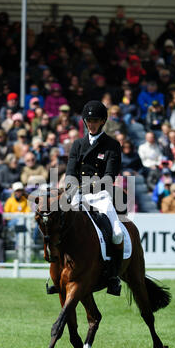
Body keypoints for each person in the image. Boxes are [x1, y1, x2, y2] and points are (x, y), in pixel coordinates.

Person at [64, 100, 123, 296]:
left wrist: (89, 187)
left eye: (95, 120)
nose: (91, 124)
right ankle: (57, 274)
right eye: (88, 120)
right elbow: (71, 172)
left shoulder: (112, 145)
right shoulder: (78, 144)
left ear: (103, 121)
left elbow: (109, 176)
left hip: (100, 195)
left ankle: (113, 276)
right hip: (77, 194)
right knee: (60, 225)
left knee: (116, 233)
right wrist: (73, 187)